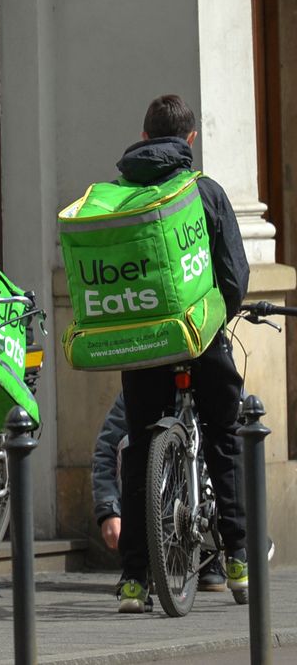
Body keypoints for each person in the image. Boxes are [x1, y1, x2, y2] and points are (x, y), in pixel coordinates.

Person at [111, 94, 250, 614]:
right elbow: (234, 276)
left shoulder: (119, 195)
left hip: (142, 344)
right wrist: (217, 318)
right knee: (224, 437)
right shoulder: (205, 192)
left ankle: (132, 581)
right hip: (198, 338)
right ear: (189, 140)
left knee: (142, 454)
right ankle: (235, 558)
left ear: (144, 137)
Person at [92, 390, 226, 592]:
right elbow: (106, 450)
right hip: (156, 493)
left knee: (225, 445)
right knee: (129, 445)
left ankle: (210, 552)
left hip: (199, 488)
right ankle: (140, 560)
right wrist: (108, 510)